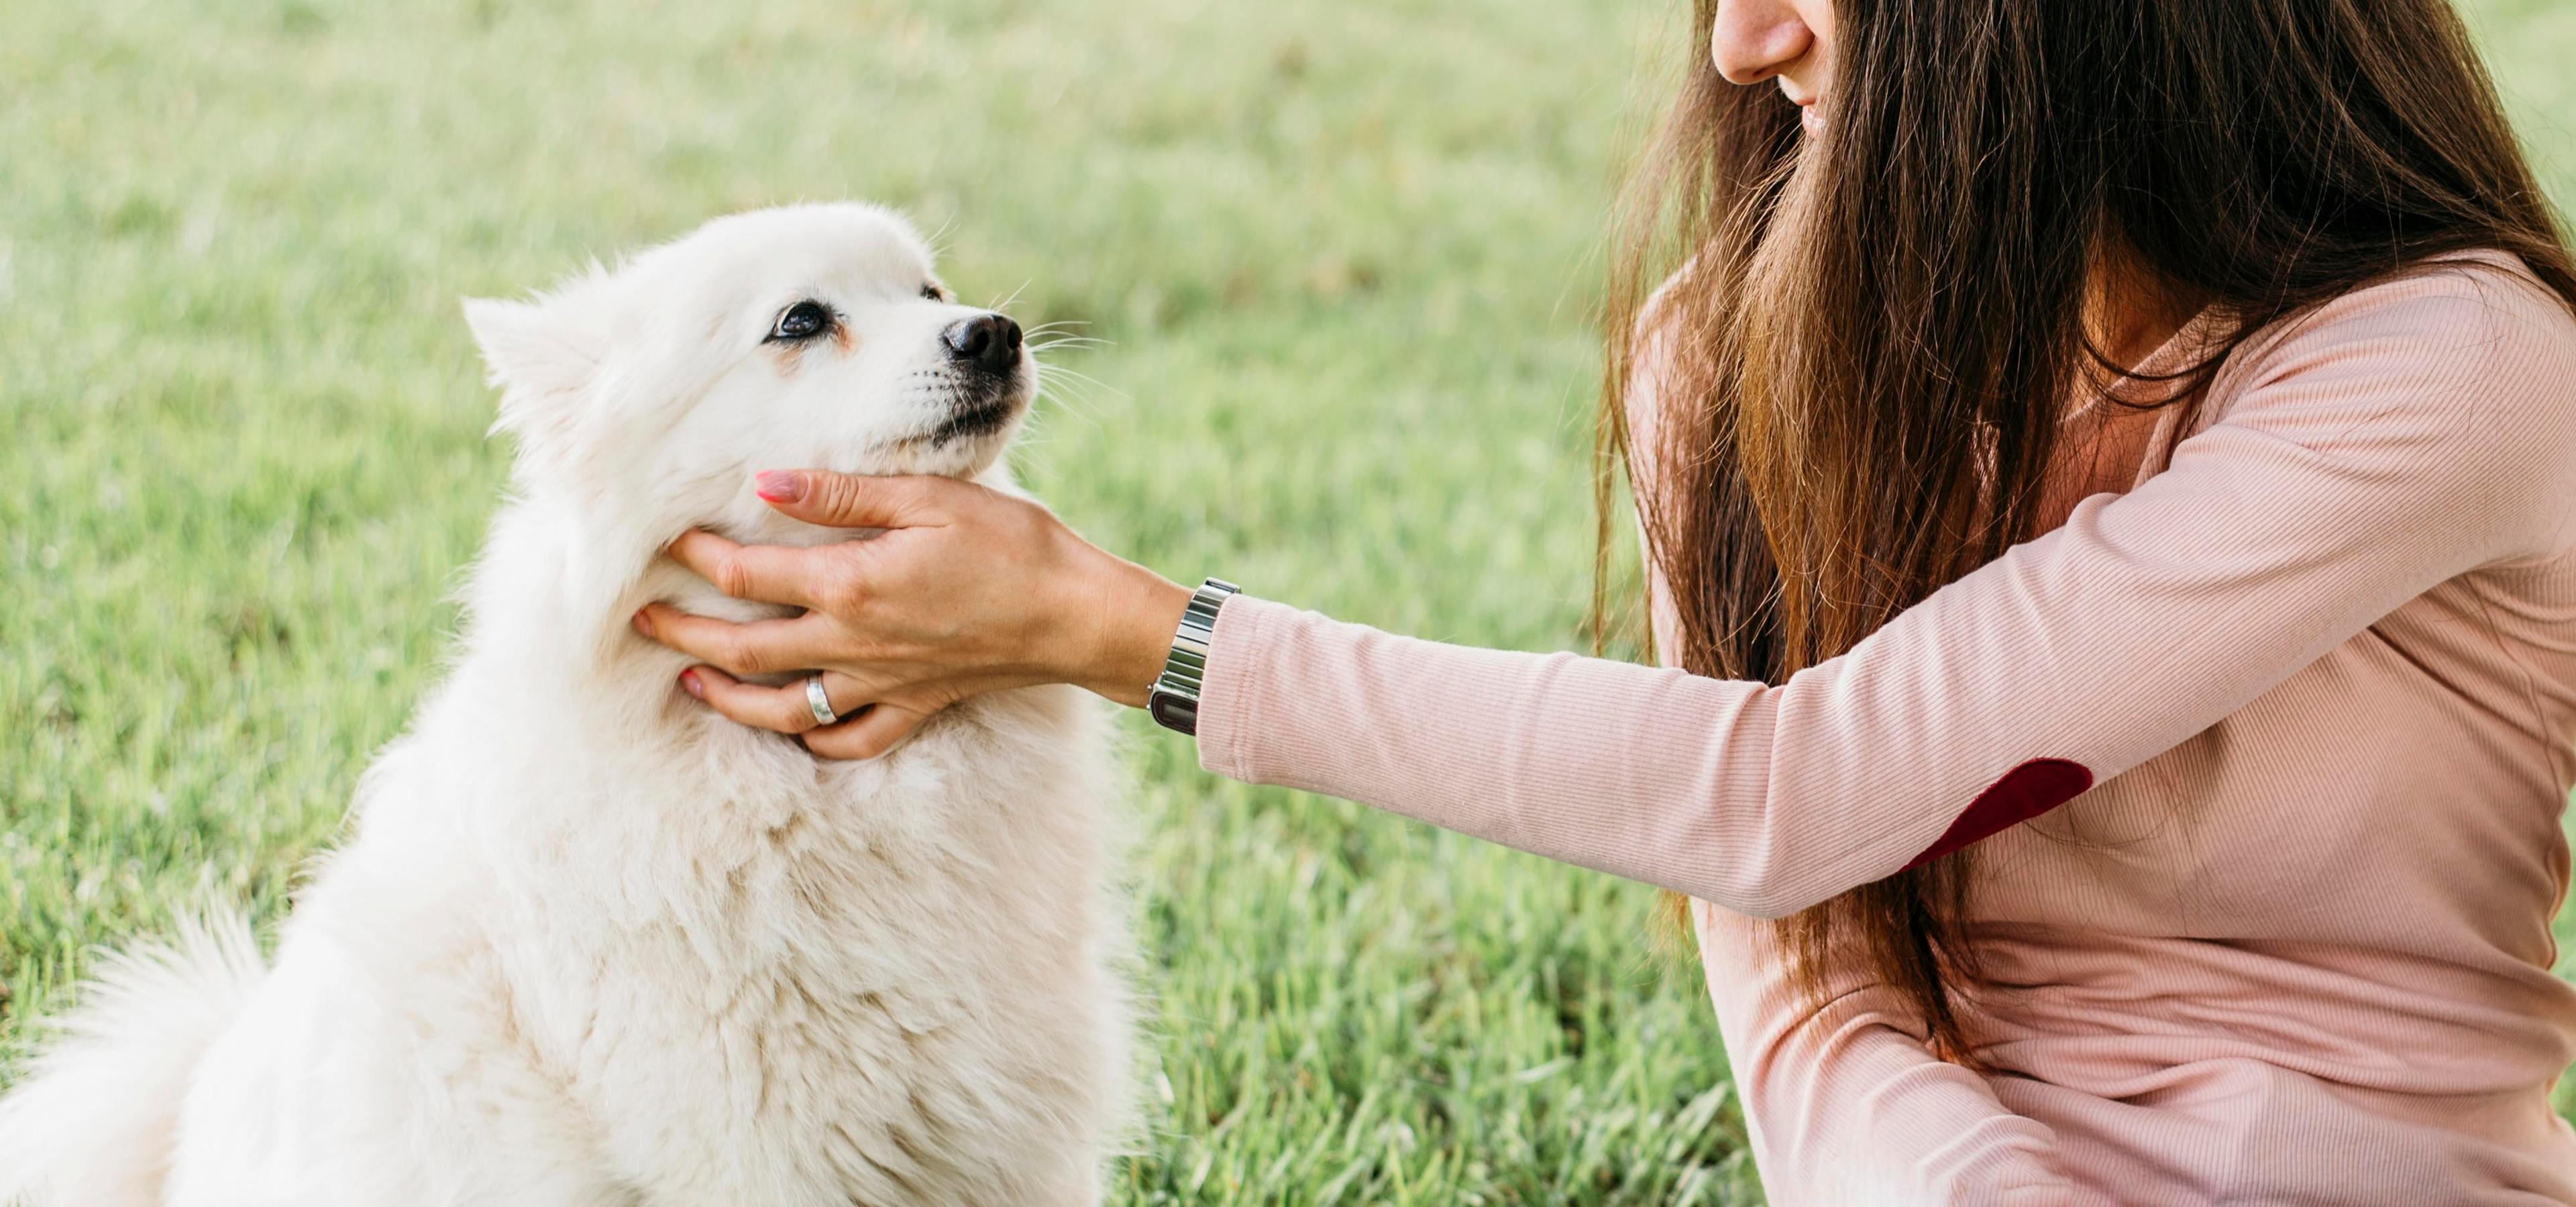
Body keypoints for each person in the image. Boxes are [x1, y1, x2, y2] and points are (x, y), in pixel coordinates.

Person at [630, 0, 2576, 1200]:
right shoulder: (1724, 362)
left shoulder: (2450, 367)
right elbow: (1805, 973)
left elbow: (1800, 792)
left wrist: (1119, 627)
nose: (1739, 41)